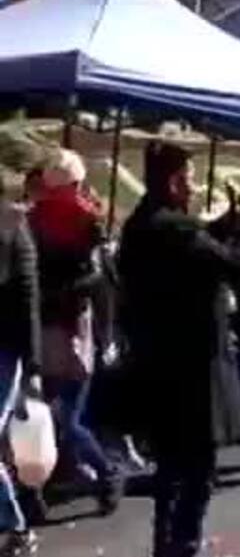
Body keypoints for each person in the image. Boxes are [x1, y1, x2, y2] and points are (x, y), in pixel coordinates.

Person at [118, 142, 240, 557]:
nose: (192, 186)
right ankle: (182, 556)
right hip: (192, 363)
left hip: (152, 357)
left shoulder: (137, 227)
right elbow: (234, 268)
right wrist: (237, 230)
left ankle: (163, 542)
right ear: (174, 181)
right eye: (189, 178)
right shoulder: (181, 231)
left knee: (169, 461)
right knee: (198, 465)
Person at [28, 149, 120, 512]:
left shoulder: (88, 223)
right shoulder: (34, 222)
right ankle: (46, 485)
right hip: (45, 325)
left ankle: (107, 470)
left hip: (73, 325)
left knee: (64, 417)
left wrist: (105, 329)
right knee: (45, 416)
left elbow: (100, 279)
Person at [0, 193, 41, 557]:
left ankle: (17, 526)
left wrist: (32, 366)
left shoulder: (12, 226)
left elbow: (27, 296)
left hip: (4, 350)